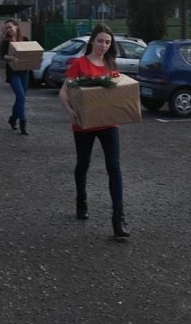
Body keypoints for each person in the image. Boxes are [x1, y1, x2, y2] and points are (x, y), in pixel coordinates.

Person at [58, 24, 130, 240]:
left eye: (107, 42)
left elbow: (117, 92)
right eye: (100, 41)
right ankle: (81, 198)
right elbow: (64, 92)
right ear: (92, 41)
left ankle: (119, 219)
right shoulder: (79, 64)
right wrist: (70, 110)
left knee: (114, 167)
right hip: (84, 123)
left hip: (109, 123)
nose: (103, 45)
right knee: (83, 163)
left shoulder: (111, 64)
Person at [0, 19, 30, 135]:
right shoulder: (6, 42)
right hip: (13, 73)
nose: (8, 30)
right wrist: (11, 58)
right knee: (21, 97)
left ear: (16, 27)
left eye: (10, 27)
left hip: (25, 72)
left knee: (20, 98)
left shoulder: (25, 40)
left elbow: (30, 53)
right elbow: (2, 55)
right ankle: (23, 123)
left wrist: (36, 58)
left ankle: (13, 118)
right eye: (6, 28)